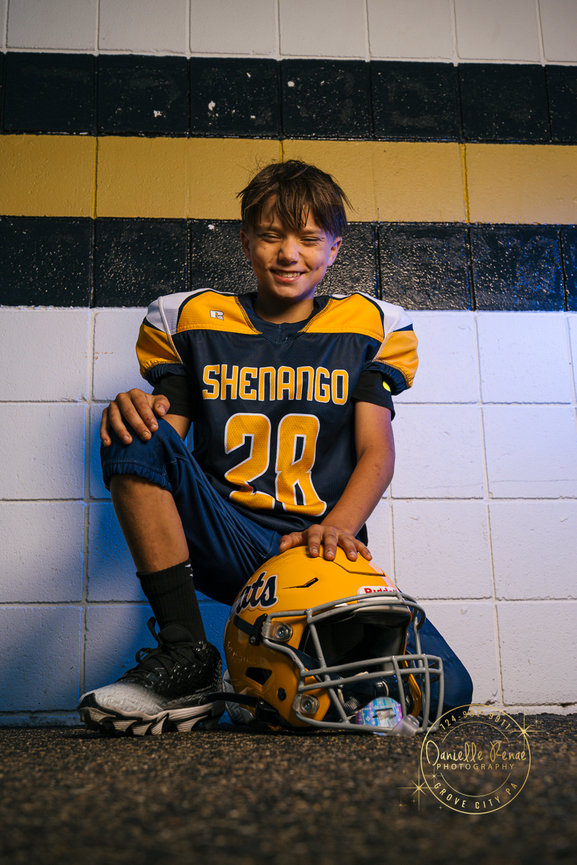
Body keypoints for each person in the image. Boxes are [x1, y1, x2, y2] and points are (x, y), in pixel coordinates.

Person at [78, 160, 472, 735]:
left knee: (446, 695)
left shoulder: (370, 326)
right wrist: (142, 411)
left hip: (316, 552)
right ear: (245, 241)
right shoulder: (190, 319)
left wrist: (338, 526)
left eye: (310, 239)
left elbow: (377, 453)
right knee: (134, 428)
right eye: (271, 235)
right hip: (224, 534)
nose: (290, 253)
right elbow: (170, 434)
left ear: (334, 248)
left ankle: (288, 677)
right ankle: (189, 653)